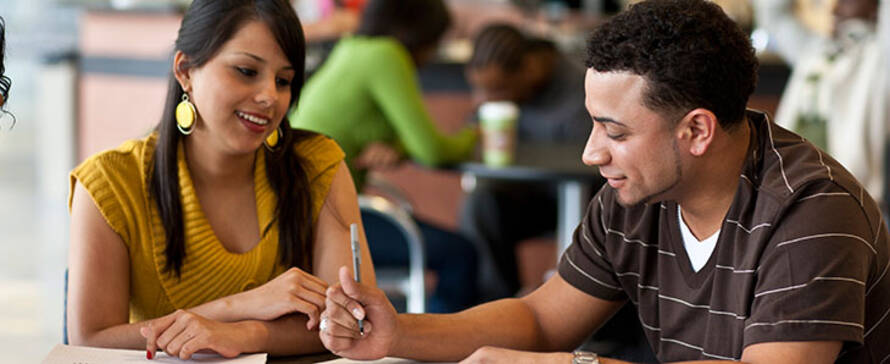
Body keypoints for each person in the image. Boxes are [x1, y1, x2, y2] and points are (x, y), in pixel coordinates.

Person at [317, 0, 890, 362]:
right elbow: (541, 320)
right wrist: (398, 335)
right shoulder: (640, 190)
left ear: (696, 131)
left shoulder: (814, 212)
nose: (593, 152)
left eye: (613, 130)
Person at [66, 0, 375, 359]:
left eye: (284, 80)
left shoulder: (316, 166)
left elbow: (351, 326)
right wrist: (243, 305)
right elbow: (90, 342)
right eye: (246, 71)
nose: (269, 97)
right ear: (185, 71)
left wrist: (248, 334)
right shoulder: (111, 183)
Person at [291, 0, 480, 313]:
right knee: (461, 254)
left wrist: (400, 147)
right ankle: (436, 352)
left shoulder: (351, 48)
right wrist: (475, 133)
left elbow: (377, 132)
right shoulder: (386, 56)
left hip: (302, 211)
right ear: (420, 36)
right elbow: (432, 151)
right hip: (325, 218)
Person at [460, 23, 592, 298]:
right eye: (479, 90)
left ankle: (597, 327)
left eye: (497, 89)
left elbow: (592, 168)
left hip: (584, 202)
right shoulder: (497, 99)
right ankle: (496, 311)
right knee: (481, 204)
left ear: (530, 69)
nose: (484, 100)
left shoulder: (579, 91)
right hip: (530, 198)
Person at [755, 0, 888, 205]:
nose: (835, 7)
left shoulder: (878, 60)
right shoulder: (814, 51)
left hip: (851, 196)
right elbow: (775, 16)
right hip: (791, 188)